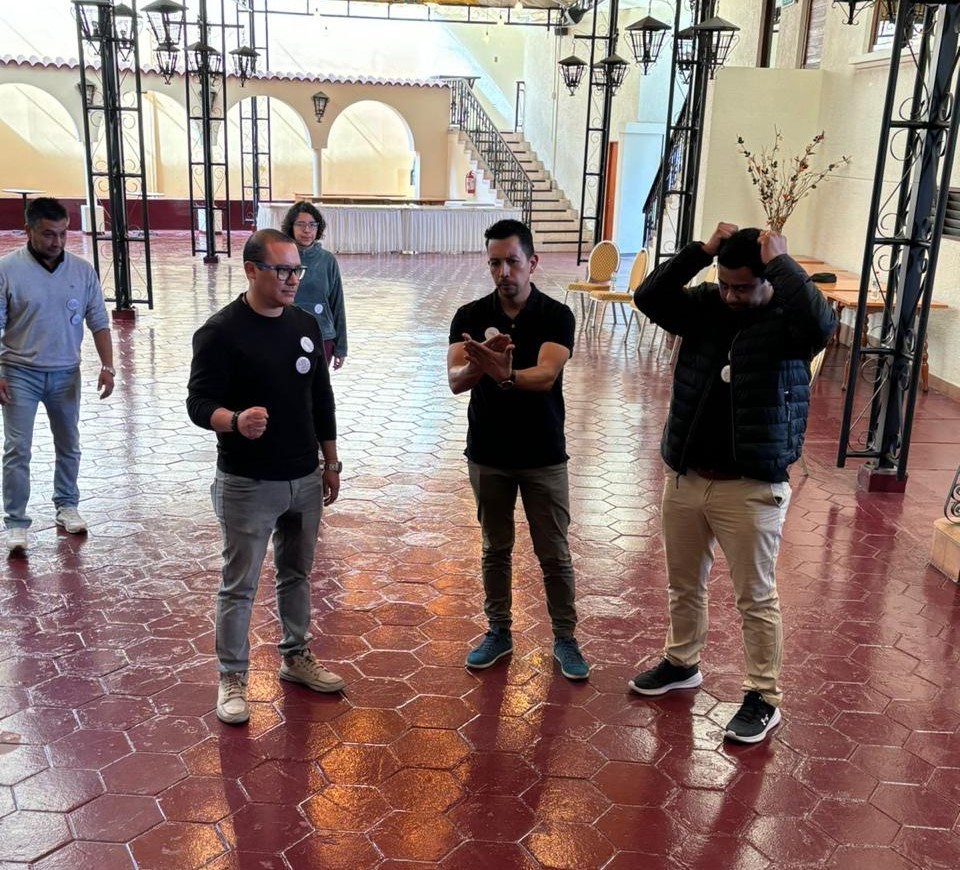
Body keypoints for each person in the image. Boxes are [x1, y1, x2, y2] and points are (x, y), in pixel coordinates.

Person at [628, 222, 836, 743]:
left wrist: (783, 262)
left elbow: (823, 324)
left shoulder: (791, 323)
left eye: (743, 287)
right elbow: (649, 297)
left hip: (751, 485)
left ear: (768, 279)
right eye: (724, 284)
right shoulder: (705, 305)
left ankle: (764, 697)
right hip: (687, 474)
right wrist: (701, 252)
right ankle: (681, 663)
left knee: (755, 599)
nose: (731, 296)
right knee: (683, 583)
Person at [187, 228, 346, 725]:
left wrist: (330, 462)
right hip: (248, 482)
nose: (293, 279)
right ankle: (232, 677)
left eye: (297, 269)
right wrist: (234, 421)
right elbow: (198, 403)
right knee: (240, 584)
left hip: (304, 478)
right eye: (282, 270)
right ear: (252, 270)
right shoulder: (220, 332)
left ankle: (295, 656)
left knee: (297, 573)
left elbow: (321, 398)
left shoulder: (304, 323)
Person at [446, 218, 589, 680]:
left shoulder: (556, 315)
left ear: (532, 262)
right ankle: (498, 631)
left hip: (543, 454)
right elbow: (455, 380)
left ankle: (565, 638)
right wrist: (482, 363)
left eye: (512, 261)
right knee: (495, 548)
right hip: (488, 453)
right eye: (495, 263)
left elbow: (545, 375)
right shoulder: (469, 316)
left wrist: (504, 373)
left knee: (554, 553)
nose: (503, 272)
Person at [0, 196, 115, 554]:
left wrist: (108, 366)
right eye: (49, 234)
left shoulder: (82, 271)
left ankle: (67, 504)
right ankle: (16, 523)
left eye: (63, 234)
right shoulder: (7, 270)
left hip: (66, 372)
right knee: (17, 448)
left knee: (69, 443)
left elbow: (98, 320)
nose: (57, 242)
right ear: (28, 231)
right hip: (19, 372)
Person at [281, 201, 347, 369]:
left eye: (312, 225)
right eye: (301, 224)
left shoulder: (327, 260)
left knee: (318, 384)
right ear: (291, 227)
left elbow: (337, 304)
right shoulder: (281, 258)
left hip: (322, 337)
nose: (307, 230)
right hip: (286, 336)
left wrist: (341, 347)